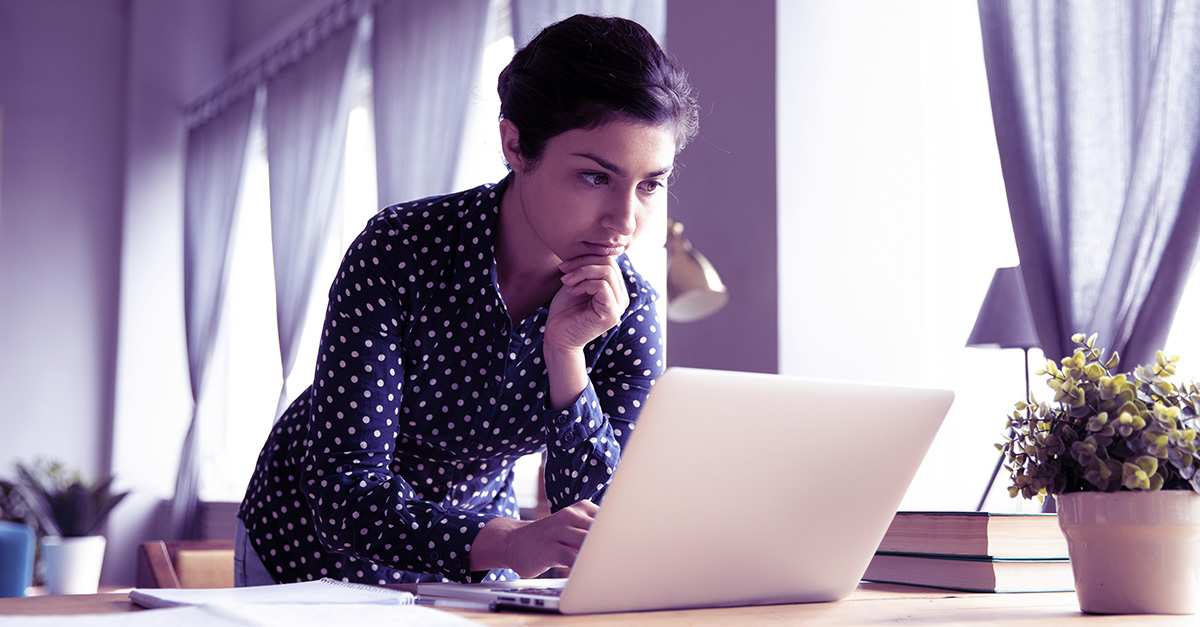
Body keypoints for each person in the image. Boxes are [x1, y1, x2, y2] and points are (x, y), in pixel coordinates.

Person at [235, 13, 699, 586]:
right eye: (595, 178)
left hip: (483, 550)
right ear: (516, 145)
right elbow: (344, 492)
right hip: (309, 543)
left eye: (650, 184)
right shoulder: (400, 249)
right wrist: (508, 540)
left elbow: (598, 521)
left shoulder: (627, 312)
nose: (625, 221)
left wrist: (566, 355)